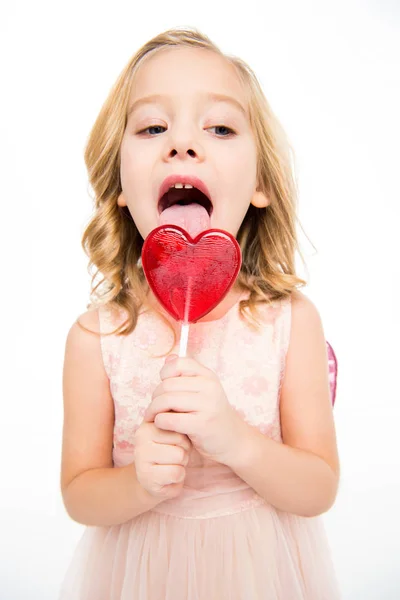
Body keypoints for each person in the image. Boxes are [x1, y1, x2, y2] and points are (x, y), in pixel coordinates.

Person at [59, 27, 341, 600]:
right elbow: (78, 493)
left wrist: (235, 440)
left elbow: (320, 487)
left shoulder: (289, 322)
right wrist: (137, 485)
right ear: (118, 182)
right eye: (153, 127)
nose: (182, 145)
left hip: (262, 573)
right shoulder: (97, 337)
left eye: (219, 127)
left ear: (260, 183)